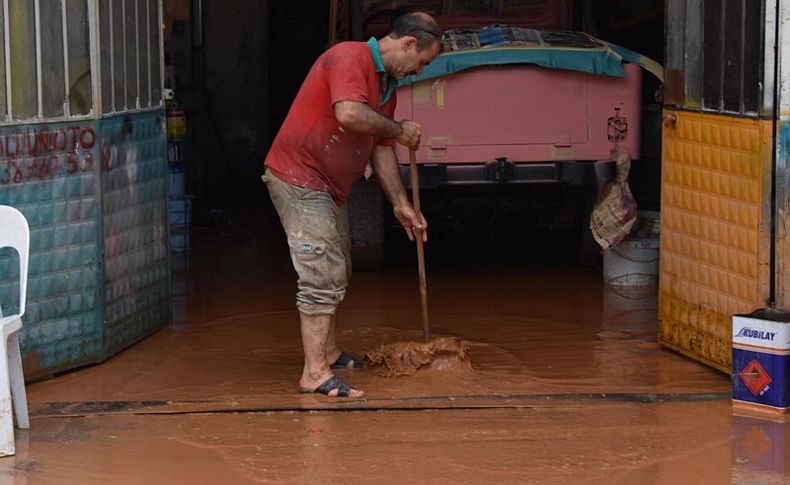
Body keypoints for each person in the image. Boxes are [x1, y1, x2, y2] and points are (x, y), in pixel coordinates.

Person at [262, 12, 443, 398]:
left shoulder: (386, 86)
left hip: (328, 185)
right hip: (299, 176)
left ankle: (328, 351)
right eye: (422, 62)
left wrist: (400, 202)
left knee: (339, 267)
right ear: (408, 44)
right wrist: (400, 130)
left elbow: (380, 147)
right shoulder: (349, 56)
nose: (417, 71)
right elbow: (348, 112)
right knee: (321, 271)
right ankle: (314, 373)